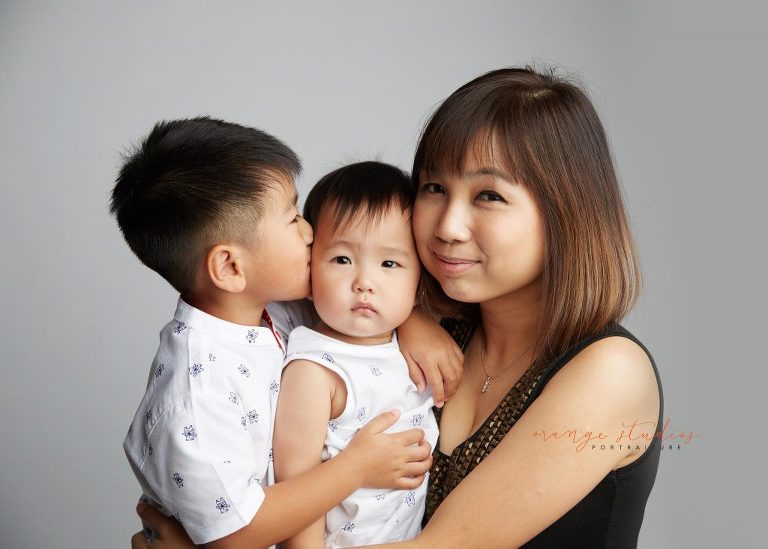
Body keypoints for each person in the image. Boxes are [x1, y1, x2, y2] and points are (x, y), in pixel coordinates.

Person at [131, 66, 663, 548]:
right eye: (434, 186)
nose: (448, 226)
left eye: (489, 196)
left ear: (565, 212)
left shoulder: (608, 373)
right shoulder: (411, 329)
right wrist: (413, 318)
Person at [114, 118, 458, 549]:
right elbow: (236, 534)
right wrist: (355, 469)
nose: (312, 232)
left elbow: (357, 297)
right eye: (293, 219)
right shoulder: (198, 396)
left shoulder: (270, 310)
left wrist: (414, 321)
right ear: (231, 268)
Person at [274, 161, 440, 548]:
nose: (365, 282)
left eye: (389, 263)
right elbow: (296, 497)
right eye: (342, 260)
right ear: (309, 269)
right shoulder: (315, 369)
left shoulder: (412, 347)